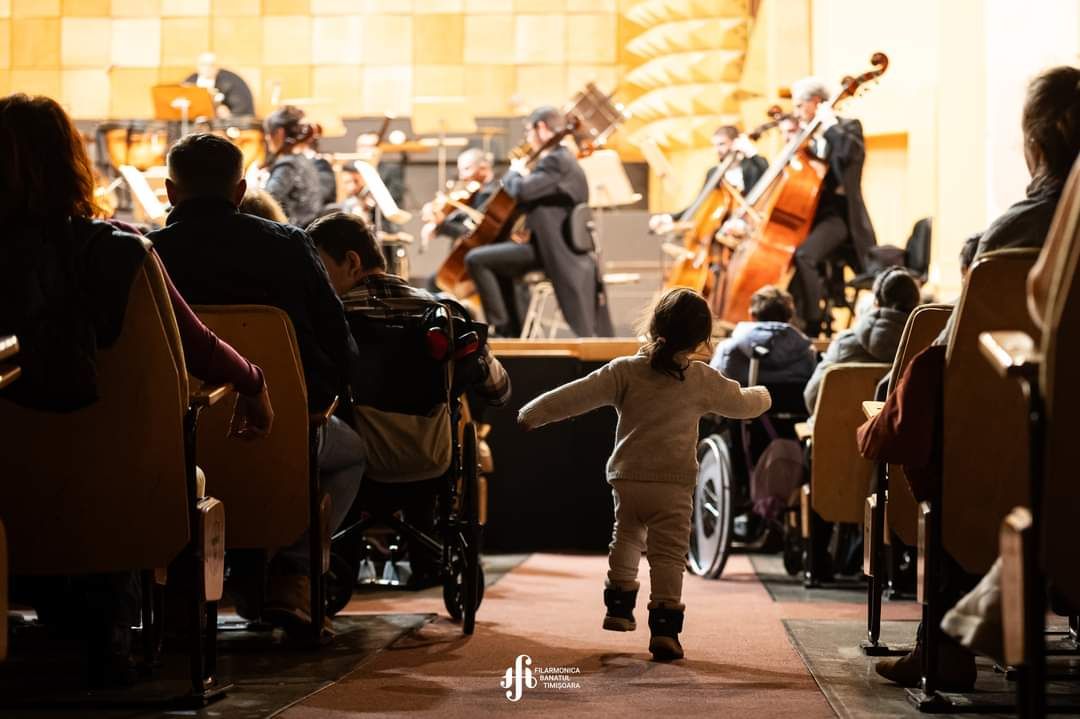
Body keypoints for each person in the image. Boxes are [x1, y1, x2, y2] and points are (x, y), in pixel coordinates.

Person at [0, 93, 273, 685]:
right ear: (74, 161)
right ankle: (115, 637)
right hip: (114, 489)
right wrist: (253, 381)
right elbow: (198, 347)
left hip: (7, 486)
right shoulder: (120, 249)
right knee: (129, 457)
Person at [149, 133, 365, 635]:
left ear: (169, 191)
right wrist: (317, 405)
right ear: (242, 189)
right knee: (351, 454)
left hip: (180, 442)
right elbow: (341, 348)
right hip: (282, 432)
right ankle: (292, 574)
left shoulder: (148, 254)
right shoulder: (288, 246)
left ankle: (177, 585)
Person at [518, 288, 771, 661]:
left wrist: (532, 413)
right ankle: (665, 632)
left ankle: (619, 607)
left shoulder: (625, 370)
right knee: (668, 555)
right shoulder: (701, 379)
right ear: (703, 339)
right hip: (673, 482)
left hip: (629, 476)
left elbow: (574, 395)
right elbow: (743, 404)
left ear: (653, 326)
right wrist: (765, 394)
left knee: (626, 536)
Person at [464, 105, 613, 338]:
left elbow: (521, 191)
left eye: (528, 131)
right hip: (549, 246)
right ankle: (511, 329)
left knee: (476, 259)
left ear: (541, 128)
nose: (528, 137)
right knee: (496, 261)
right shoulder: (559, 160)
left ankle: (500, 329)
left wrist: (515, 172)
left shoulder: (557, 161)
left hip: (553, 251)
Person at [785, 77, 878, 334]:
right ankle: (795, 322)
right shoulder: (808, 137)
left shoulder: (847, 129)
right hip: (815, 217)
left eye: (800, 105)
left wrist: (829, 126)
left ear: (816, 103)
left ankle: (813, 324)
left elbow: (848, 159)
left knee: (805, 255)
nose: (797, 112)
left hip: (840, 217)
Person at [803, 266, 920, 415]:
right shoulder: (924, 349)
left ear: (876, 302)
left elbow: (812, 398)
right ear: (916, 303)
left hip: (834, 436)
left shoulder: (844, 344)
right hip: (897, 437)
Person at [648, 125, 770, 236]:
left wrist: (751, 152)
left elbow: (768, 174)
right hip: (724, 231)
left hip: (752, 228)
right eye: (715, 145)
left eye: (722, 144)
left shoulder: (753, 166)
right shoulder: (714, 173)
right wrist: (670, 217)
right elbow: (699, 202)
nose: (717, 150)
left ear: (735, 142)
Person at [711, 285, 816, 388]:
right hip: (793, 406)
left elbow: (712, 390)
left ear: (751, 315)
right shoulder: (807, 353)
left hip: (745, 405)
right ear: (789, 318)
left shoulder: (727, 350)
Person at [419, 148, 496, 253]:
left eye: (466, 169)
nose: (462, 176)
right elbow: (460, 218)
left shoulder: (493, 195)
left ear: (483, 167)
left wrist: (442, 223)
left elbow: (474, 233)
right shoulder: (474, 192)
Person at [260, 105, 324, 227]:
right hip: (305, 232)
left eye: (268, 133)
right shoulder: (303, 160)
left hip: (291, 235)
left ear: (279, 133)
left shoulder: (287, 165)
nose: (267, 139)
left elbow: (265, 202)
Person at [185, 52, 254, 118]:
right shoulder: (189, 83)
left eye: (212, 65)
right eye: (204, 64)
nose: (207, 68)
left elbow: (242, 108)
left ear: (217, 67)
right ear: (197, 66)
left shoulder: (232, 82)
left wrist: (229, 114)